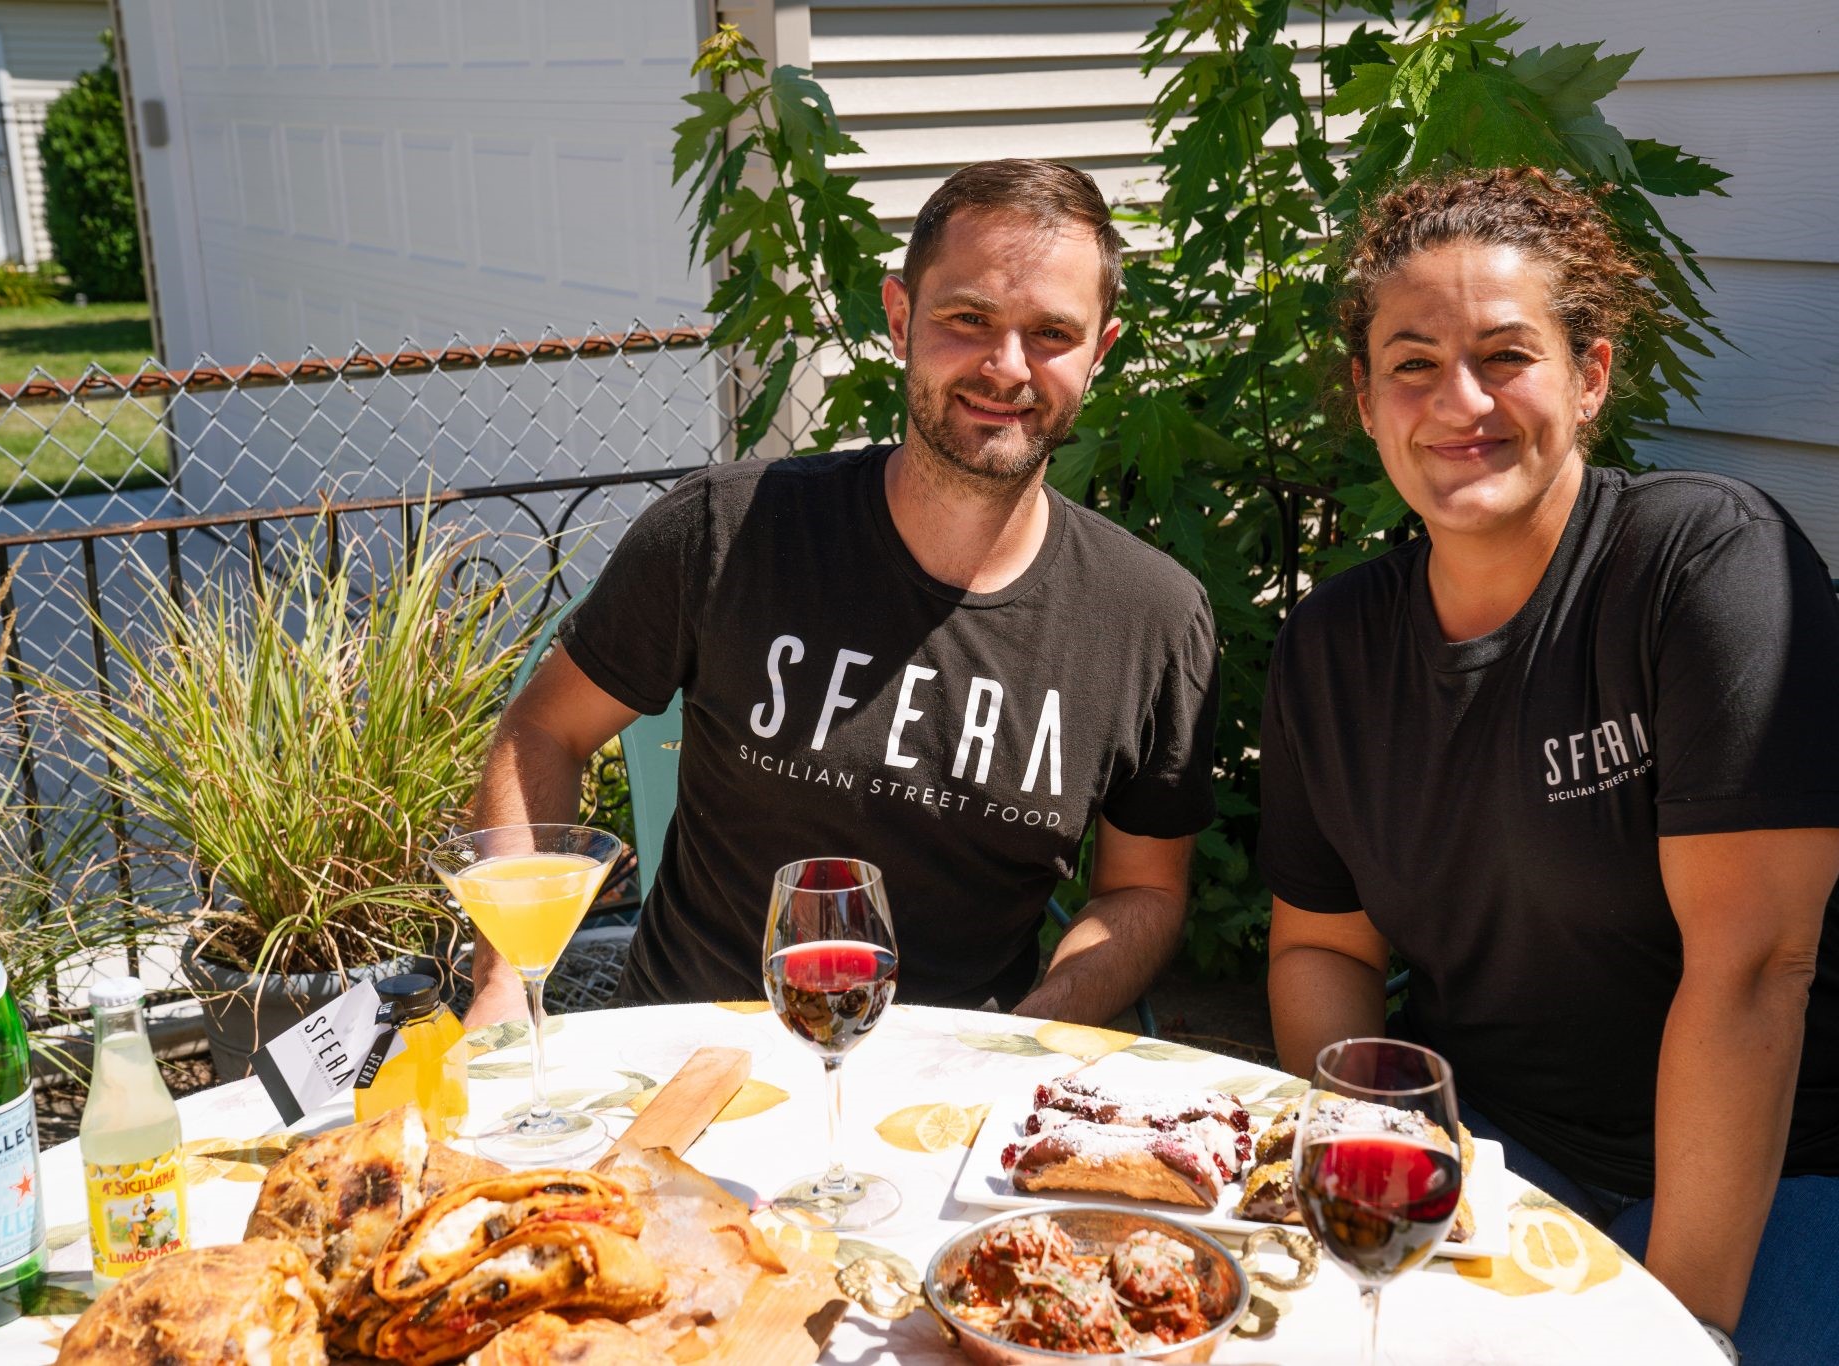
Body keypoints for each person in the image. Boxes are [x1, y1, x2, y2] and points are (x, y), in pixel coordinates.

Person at [1259, 166, 1839, 1365]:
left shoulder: (1701, 563)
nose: (1458, 400)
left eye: (1505, 355)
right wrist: (1374, 1157)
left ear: (1590, 376)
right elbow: (1323, 947)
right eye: (1412, 362)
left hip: (1787, 1162)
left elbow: (1752, 969)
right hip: (1502, 1157)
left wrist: (1678, 1328)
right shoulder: (1331, 646)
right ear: (1365, 400)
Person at [466, 159, 1220, 1031]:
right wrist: (504, 983)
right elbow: (543, 731)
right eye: (969, 318)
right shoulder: (730, 531)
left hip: (948, 1089)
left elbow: (1142, 891)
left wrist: (1030, 1034)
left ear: (1100, 352)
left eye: (1051, 333)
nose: (1007, 367)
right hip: (687, 1058)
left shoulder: (1150, 620)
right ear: (900, 319)